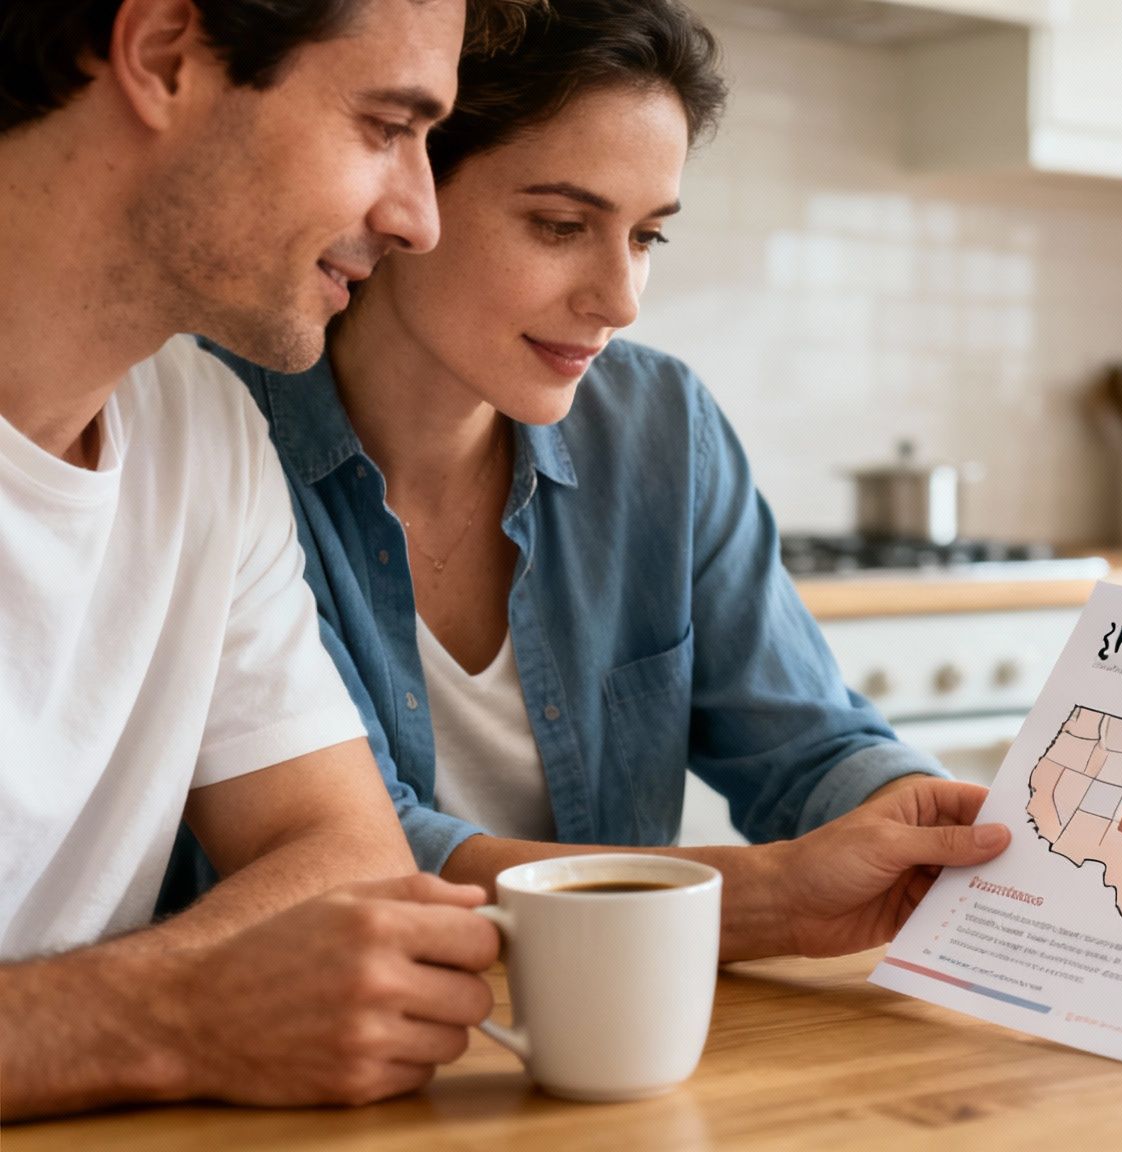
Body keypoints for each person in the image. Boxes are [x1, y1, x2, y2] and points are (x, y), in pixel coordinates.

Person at [178, 0, 1015, 965]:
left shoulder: (661, 427)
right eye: (560, 224)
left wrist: (925, 827)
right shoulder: (216, 435)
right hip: (323, 1038)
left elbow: (807, 743)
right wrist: (761, 900)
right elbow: (349, 854)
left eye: (648, 236)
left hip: (612, 1036)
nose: (618, 299)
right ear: (405, 189)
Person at [0, 0, 521, 1120]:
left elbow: (342, 849)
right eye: (387, 125)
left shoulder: (204, 428)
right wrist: (168, 1018)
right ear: (163, 55)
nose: (421, 217)